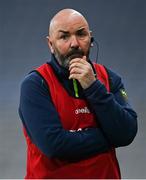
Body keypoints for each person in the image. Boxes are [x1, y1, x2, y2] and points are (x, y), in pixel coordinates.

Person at [19, 8, 137, 179]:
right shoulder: (35, 85)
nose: (74, 43)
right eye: (64, 36)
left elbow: (127, 133)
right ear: (51, 44)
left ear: (90, 38)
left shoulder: (110, 79)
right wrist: (110, 136)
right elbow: (54, 145)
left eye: (81, 34)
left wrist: (92, 86)